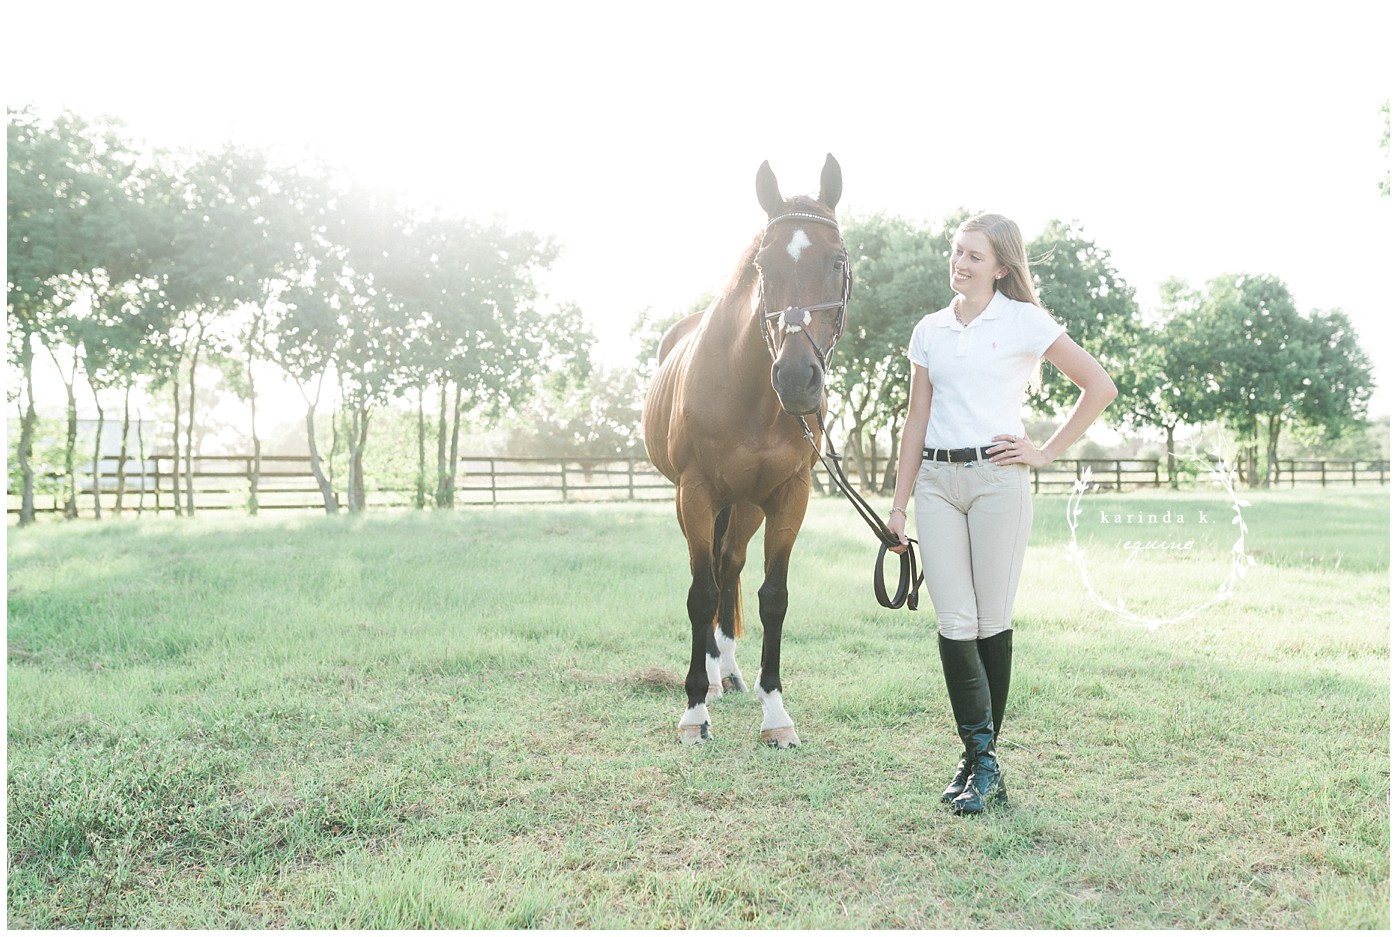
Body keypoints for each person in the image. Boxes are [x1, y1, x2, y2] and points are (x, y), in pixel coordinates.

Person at [885, 213, 1117, 815]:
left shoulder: (1023, 321)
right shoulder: (929, 330)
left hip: (998, 483)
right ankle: (980, 760)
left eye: (974, 257)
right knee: (953, 619)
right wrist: (898, 505)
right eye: (956, 252)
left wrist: (1044, 452)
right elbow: (916, 420)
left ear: (1002, 268)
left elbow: (1099, 385)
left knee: (991, 619)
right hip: (936, 482)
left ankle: (981, 762)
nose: (959, 264)